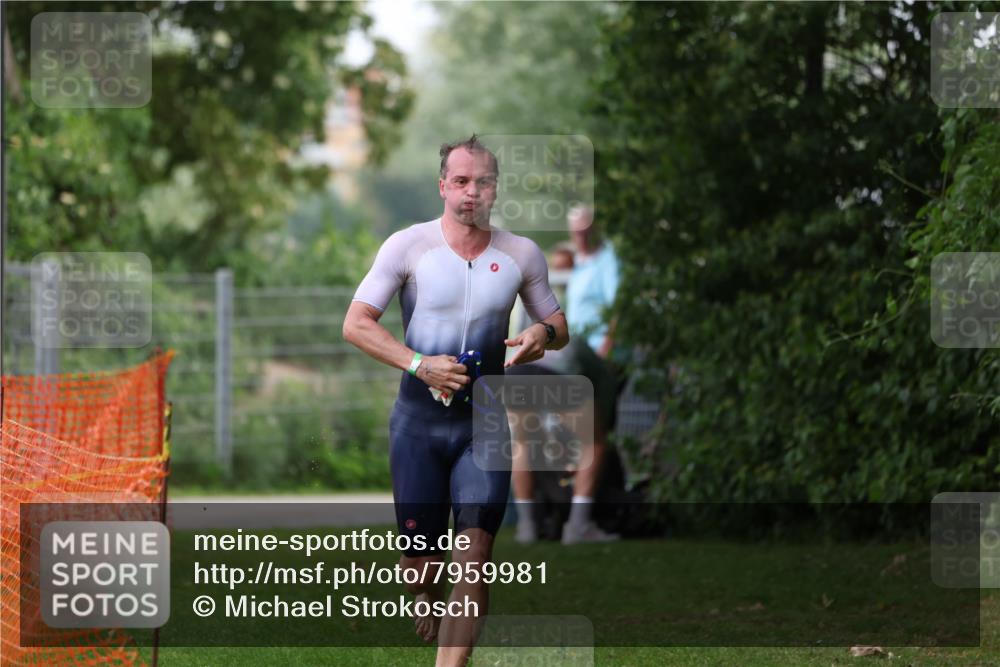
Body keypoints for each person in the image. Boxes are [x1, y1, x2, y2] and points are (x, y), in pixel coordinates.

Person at [342, 135, 569, 666]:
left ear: (495, 190)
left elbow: (558, 324)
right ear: (443, 186)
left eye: (482, 182)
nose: (472, 192)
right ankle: (423, 590)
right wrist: (419, 365)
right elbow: (355, 324)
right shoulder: (407, 247)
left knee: (476, 557)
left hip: (484, 425)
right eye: (461, 181)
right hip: (417, 427)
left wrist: (542, 334)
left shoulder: (521, 254)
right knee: (423, 568)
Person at [508, 243, 622, 545]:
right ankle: (579, 526)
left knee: (522, 445)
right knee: (594, 443)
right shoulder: (589, 355)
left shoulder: (532, 326)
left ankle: (527, 527)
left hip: (516, 369)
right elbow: (602, 415)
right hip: (560, 373)